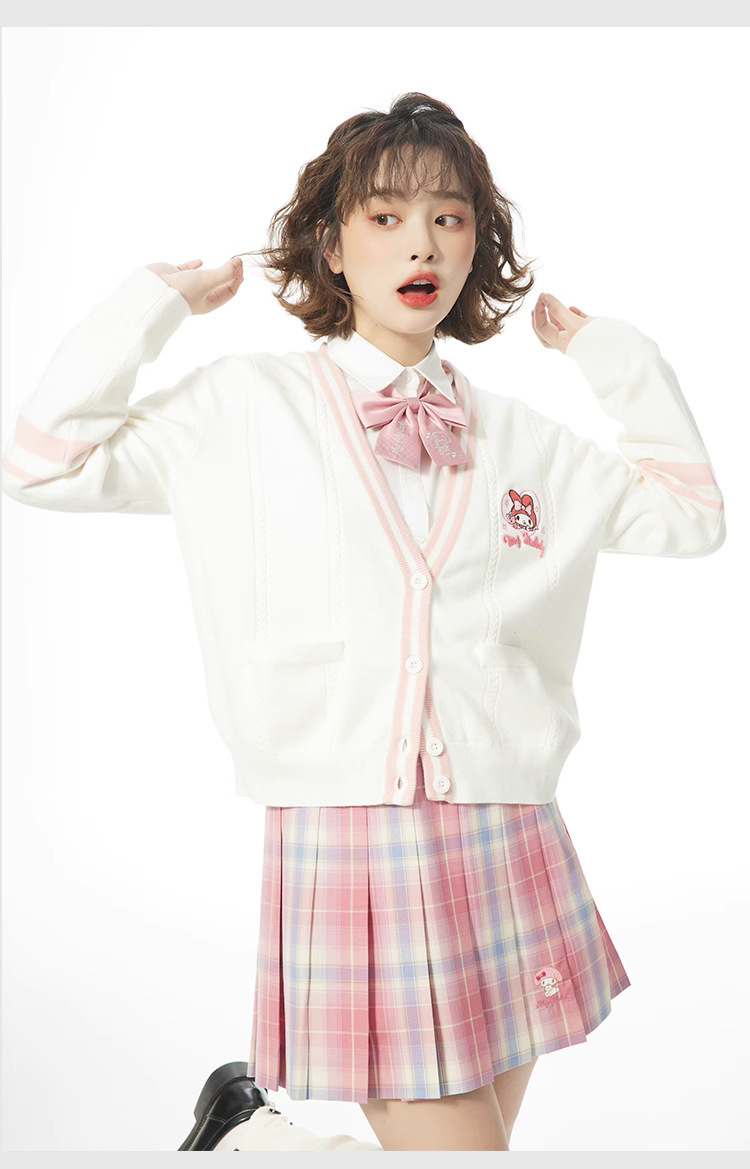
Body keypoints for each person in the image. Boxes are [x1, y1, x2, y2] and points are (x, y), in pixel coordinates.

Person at [2, 92, 726, 1153]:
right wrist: (145, 309)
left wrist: (614, 357)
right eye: (385, 216)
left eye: (449, 217)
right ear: (332, 247)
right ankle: (257, 1140)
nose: (420, 242)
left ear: (477, 246)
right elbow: (40, 462)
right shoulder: (243, 409)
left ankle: (250, 1139)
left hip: (509, 824)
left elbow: (693, 515)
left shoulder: (525, 440)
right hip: (353, 835)